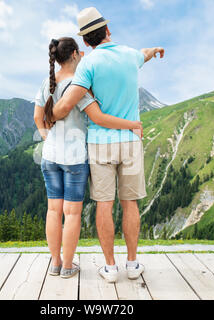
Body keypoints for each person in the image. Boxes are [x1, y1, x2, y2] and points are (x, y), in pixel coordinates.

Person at [51, 7, 164, 283]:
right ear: (108, 30)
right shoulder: (130, 55)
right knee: (131, 204)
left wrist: (48, 115)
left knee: (104, 205)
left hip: (101, 144)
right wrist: (155, 50)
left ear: (86, 42)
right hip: (130, 142)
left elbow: (65, 106)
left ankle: (111, 267)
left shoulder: (88, 65)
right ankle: (133, 264)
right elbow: (144, 54)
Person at [34, 37, 143, 279]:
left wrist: (46, 138)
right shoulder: (79, 85)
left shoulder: (46, 83)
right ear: (74, 54)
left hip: (50, 155)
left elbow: (37, 117)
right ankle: (68, 266)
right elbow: (98, 118)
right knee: (71, 213)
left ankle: (56, 263)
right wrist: (132, 124)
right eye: (79, 52)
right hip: (74, 159)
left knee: (53, 210)